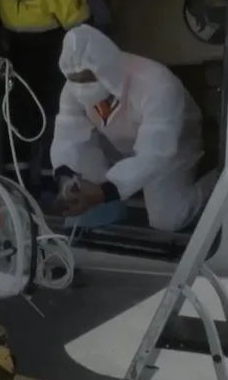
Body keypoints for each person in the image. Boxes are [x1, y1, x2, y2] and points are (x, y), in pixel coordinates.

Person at [50, 25, 218, 232]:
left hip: (172, 145)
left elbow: (155, 152)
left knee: (167, 220)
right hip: (119, 142)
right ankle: (106, 210)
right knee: (80, 156)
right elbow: (67, 133)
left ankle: (218, 178)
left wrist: (107, 191)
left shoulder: (156, 83)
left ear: (105, 67)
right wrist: (66, 178)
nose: (81, 87)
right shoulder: (73, 85)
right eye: (74, 80)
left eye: (87, 78)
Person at [0, 0, 110, 191]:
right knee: (17, 111)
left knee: (56, 110)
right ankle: (16, 180)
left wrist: (80, 72)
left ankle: (54, 178)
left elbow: (82, 33)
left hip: (57, 46)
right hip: (18, 49)